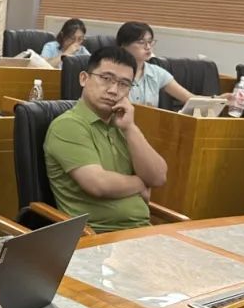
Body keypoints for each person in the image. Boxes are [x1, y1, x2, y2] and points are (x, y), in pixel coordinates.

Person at [44, 46, 168, 232]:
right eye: (106, 79)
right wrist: (141, 183)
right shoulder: (68, 125)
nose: (113, 90)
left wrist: (130, 128)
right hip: (98, 236)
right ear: (84, 78)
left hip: (140, 232)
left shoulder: (123, 124)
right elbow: (98, 184)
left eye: (124, 84)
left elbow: (158, 177)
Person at [116, 21, 195, 108]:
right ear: (123, 46)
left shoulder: (156, 72)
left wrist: (207, 101)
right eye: (141, 42)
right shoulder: (112, 71)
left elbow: (191, 99)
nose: (148, 47)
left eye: (150, 42)